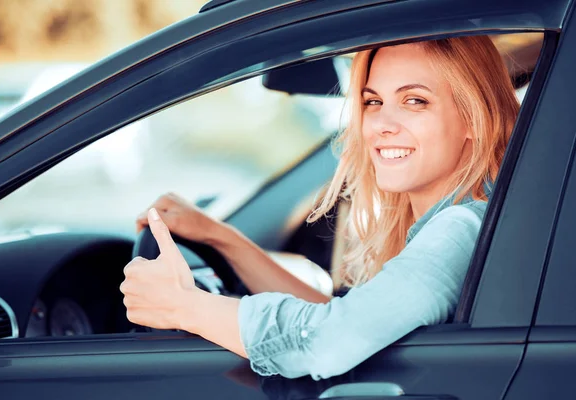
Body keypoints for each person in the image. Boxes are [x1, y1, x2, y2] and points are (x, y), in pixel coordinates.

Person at [120, 35, 520, 380]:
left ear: (474, 118)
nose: (382, 123)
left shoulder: (460, 229)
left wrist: (184, 306)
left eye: (415, 101)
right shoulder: (467, 219)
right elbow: (345, 319)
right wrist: (221, 237)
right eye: (373, 101)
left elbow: (327, 343)